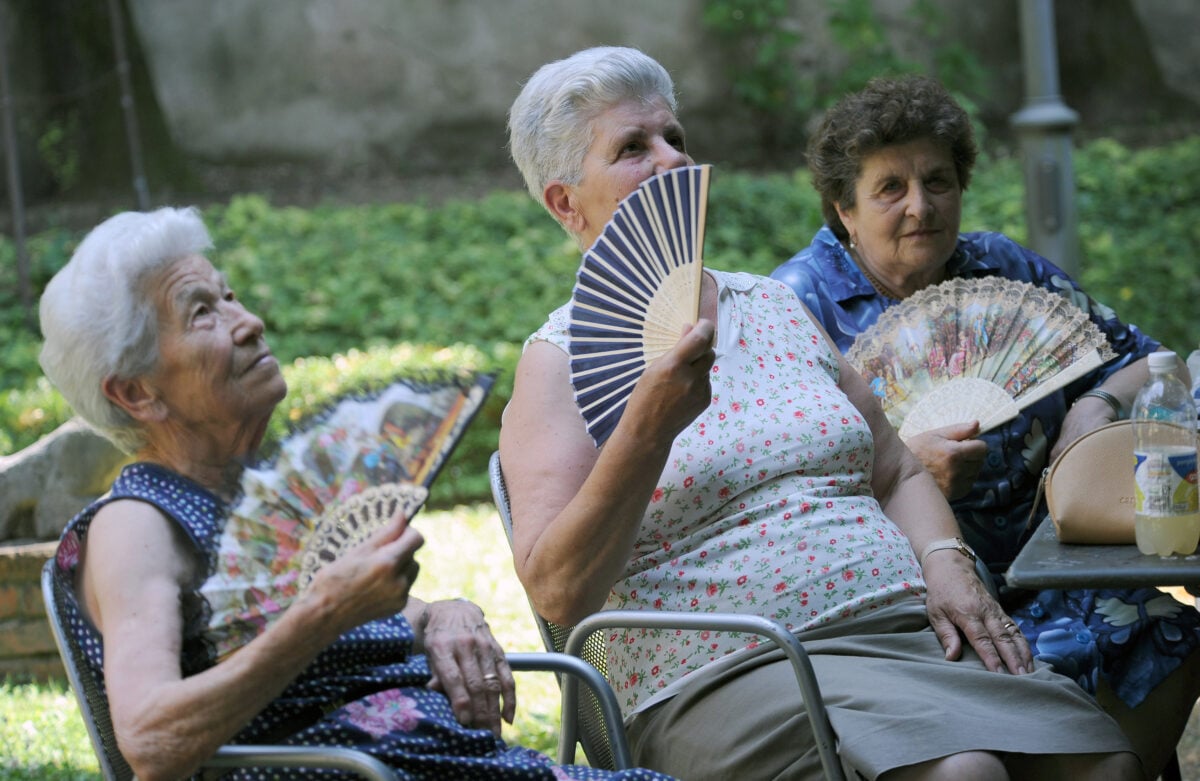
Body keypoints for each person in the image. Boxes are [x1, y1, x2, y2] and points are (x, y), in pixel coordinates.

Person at [501, 46, 1141, 781]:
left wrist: (947, 563)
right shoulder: (560, 359)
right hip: (730, 668)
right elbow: (557, 587)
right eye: (632, 148)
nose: (671, 160)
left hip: (902, 631)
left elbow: (896, 467)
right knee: (963, 774)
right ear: (564, 201)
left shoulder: (771, 305)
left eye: (674, 137)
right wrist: (648, 427)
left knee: (1105, 763)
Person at [38, 206, 676, 781]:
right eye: (202, 312)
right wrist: (321, 614)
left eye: (231, 296)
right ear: (136, 393)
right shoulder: (136, 526)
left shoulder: (254, 510)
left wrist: (443, 612)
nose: (250, 322)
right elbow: (151, 740)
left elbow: (329, 614)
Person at [770, 73, 1200, 779]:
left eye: (938, 180)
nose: (921, 206)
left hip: (1047, 568)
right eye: (890, 188)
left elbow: (1146, 359)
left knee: (1175, 626)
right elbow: (790, 499)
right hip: (917, 603)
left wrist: (1097, 405)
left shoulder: (997, 264)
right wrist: (907, 475)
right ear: (843, 208)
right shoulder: (796, 307)